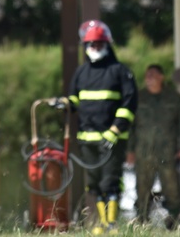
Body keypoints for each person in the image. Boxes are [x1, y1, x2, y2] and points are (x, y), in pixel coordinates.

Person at [65, 20, 137, 235]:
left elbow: (130, 103)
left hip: (112, 138)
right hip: (88, 138)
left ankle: (112, 224)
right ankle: (101, 223)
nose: (94, 47)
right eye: (91, 44)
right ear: (85, 46)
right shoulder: (81, 73)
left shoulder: (120, 71)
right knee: (94, 182)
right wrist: (63, 104)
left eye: (98, 43)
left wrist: (115, 129)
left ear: (107, 44)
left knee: (110, 181)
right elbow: (75, 100)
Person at [126, 64, 180, 230]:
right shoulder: (138, 98)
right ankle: (141, 222)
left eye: (153, 74)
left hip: (167, 153)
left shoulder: (173, 98)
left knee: (172, 189)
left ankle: (173, 221)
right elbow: (131, 127)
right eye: (147, 75)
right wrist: (130, 150)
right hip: (143, 152)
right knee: (142, 189)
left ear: (161, 77)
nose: (149, 78)